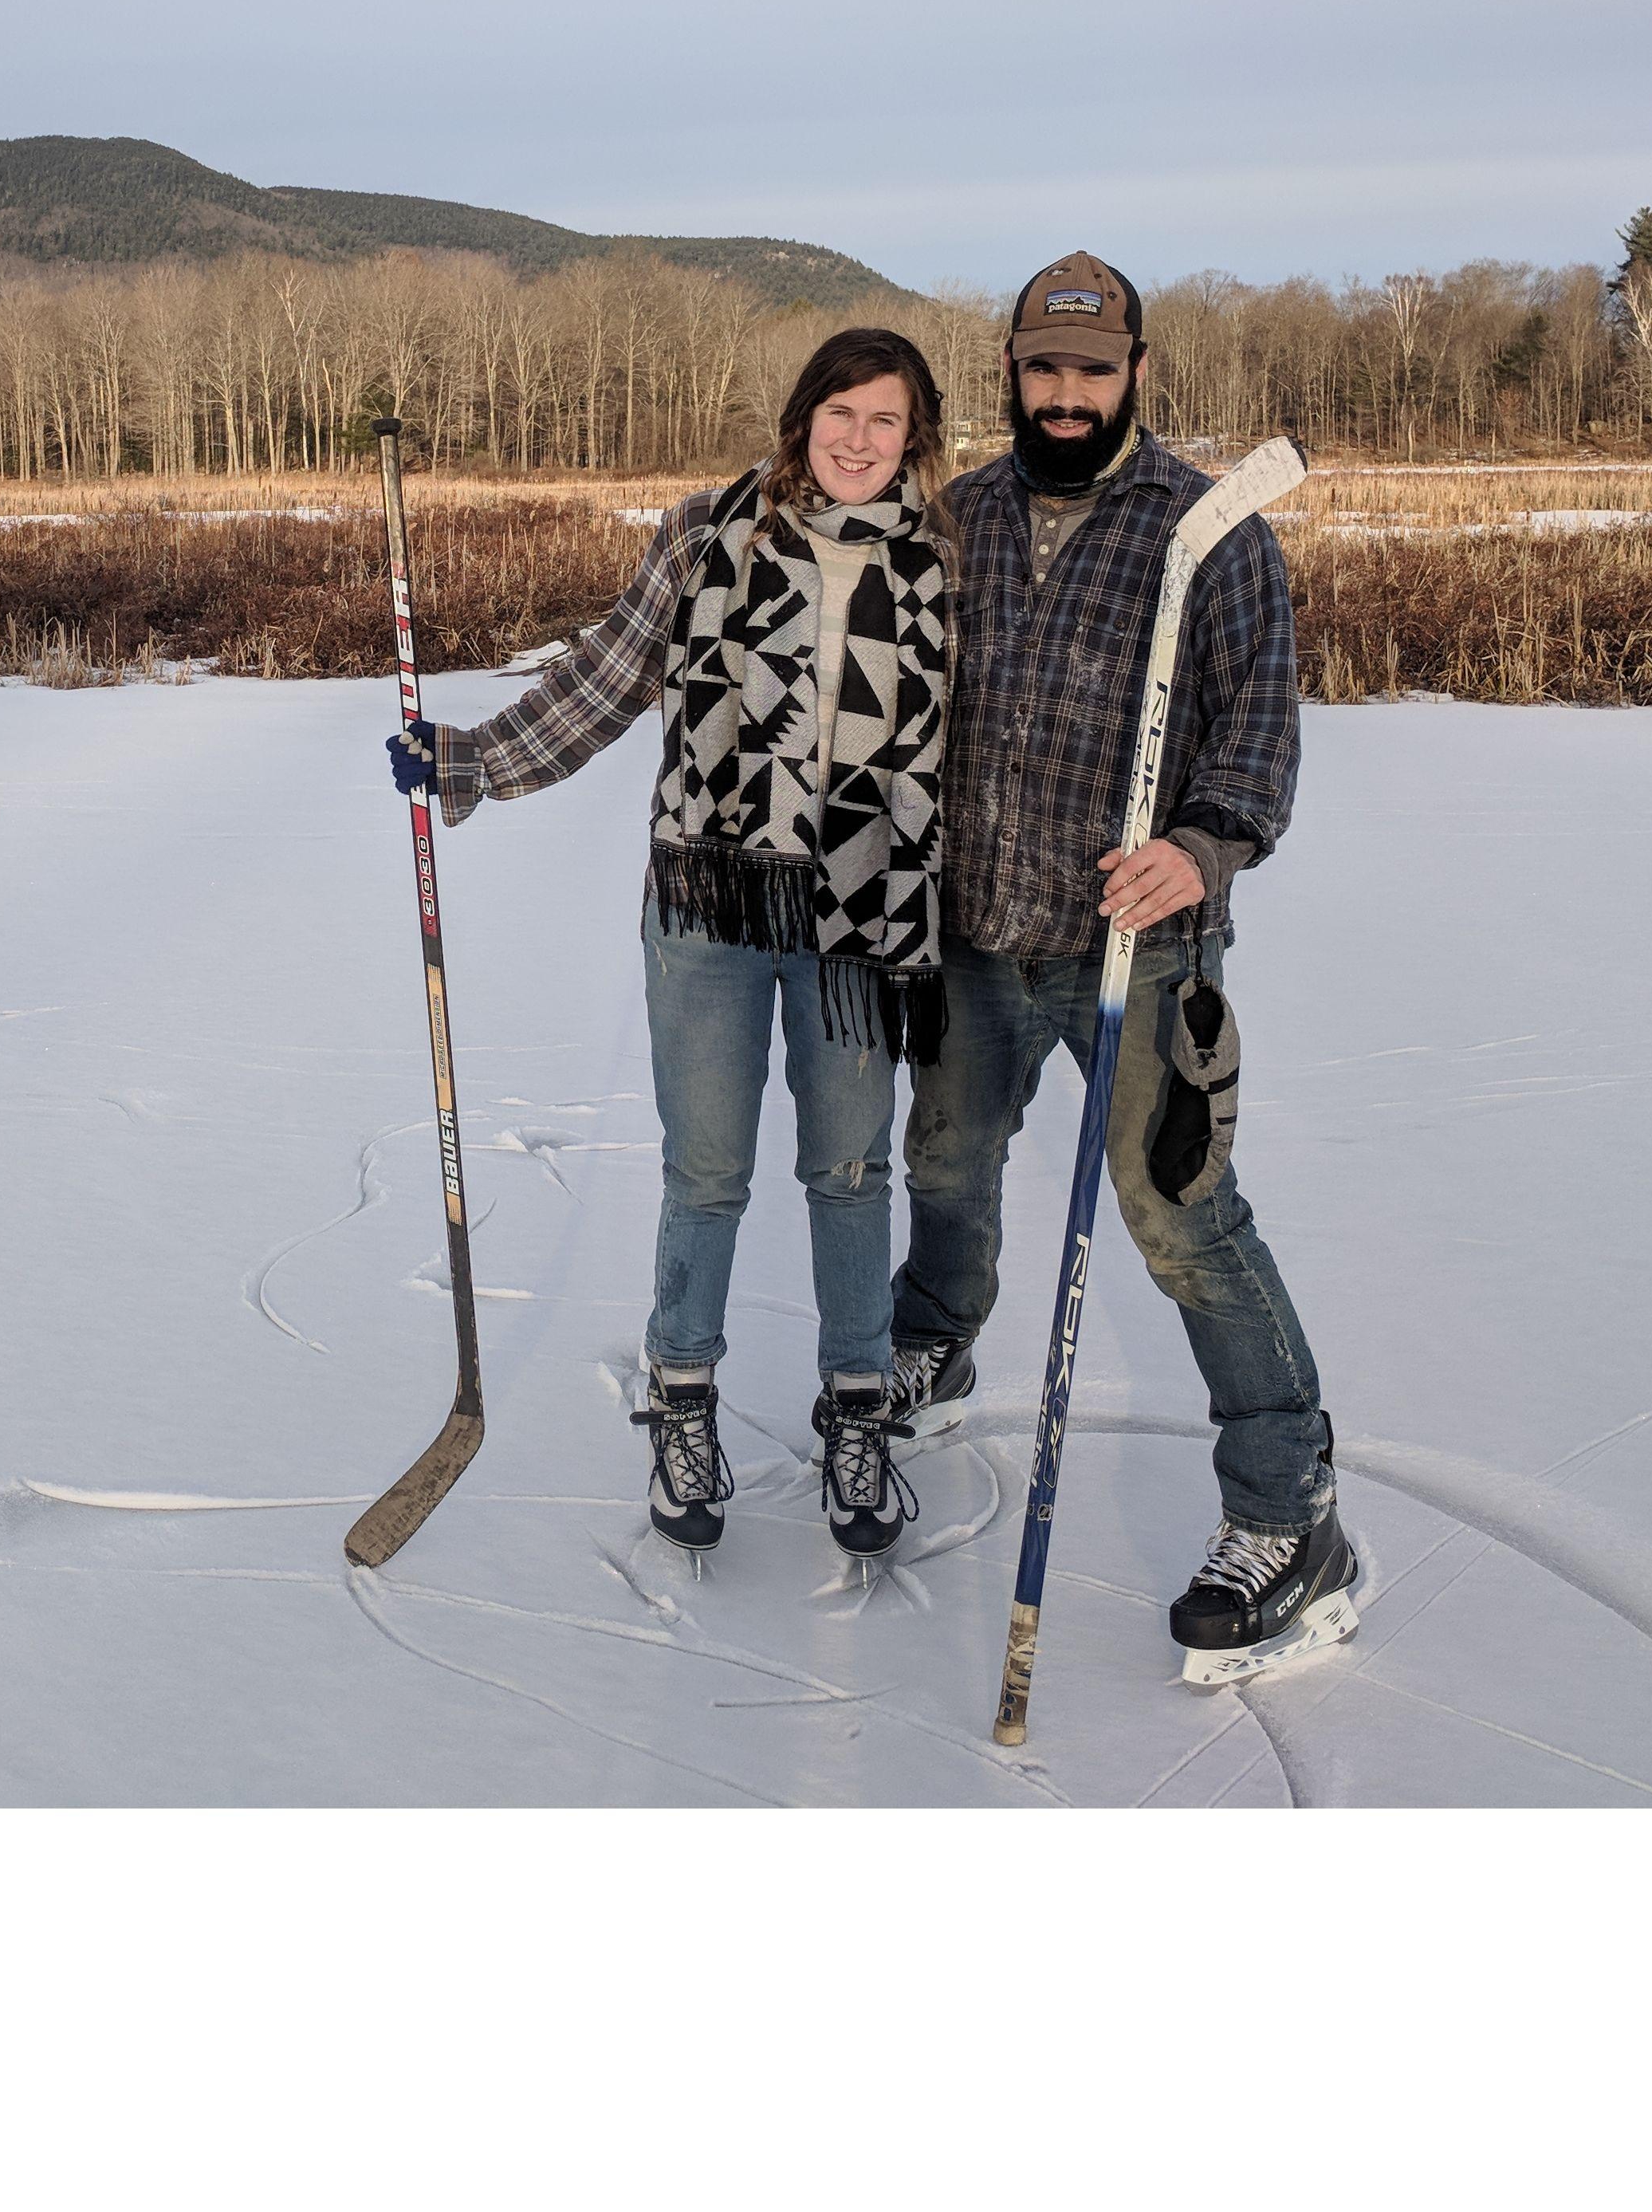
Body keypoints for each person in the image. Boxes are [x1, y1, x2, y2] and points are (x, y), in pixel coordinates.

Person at [388, 328, 957, 1560]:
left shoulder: (951, 558)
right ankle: (684, 1394)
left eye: (887, 422)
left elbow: (995, 736)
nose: (860, 441)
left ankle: (859, 1406)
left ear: (918, 437)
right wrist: (476, 759)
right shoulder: (712, 528)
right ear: (803, 415)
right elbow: (609, 674)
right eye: (840, 414)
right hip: (710, 901)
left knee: (851, 1174)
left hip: (865, 913)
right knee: (708, 1170)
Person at [891, 251, 1357, 1677]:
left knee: (1181, 1217)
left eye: (1095, 371)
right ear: (1013, 374)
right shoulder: (957, 519)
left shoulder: (1206, 526)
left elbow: (1260, 730)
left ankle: (1291, 1515)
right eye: (1045, 370)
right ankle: (935, 1343)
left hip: (1142, 946)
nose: (1070, 394)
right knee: (947, 1165)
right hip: (976, 931)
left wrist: (1202, 845)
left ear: (1138, 372)